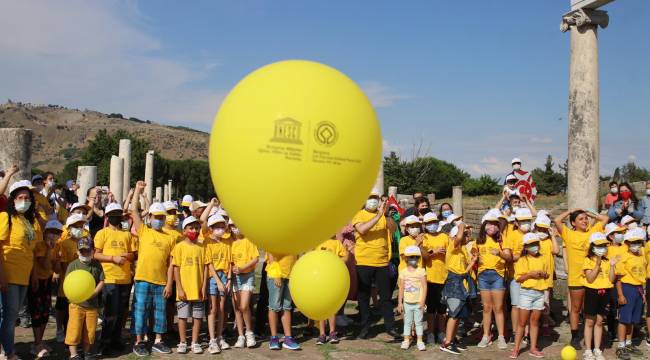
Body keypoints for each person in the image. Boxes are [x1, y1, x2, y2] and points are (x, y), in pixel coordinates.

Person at [130, 181, 175, 357]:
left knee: (159, 312)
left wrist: (169, 284)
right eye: (156, 216)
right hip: (142, 279)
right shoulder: (144, 231)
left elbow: (171, 263)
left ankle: (158, 340)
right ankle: (139, 341)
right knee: (140, 311)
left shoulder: (169, 238)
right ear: (149, 217)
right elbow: (134, 211)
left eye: (161, 217)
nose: (158, 219)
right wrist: (138, 191)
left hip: (160, 281)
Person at [553, 208, 608, 350]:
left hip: (592, 279)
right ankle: (575, 336)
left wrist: (588, 212)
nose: (584, 221)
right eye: (580, 219)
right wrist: (571, 210)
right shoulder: (568, 233)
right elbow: (557, 220)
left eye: (585, 219)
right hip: (576, 278)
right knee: (576, 309)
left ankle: (591, 338)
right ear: (573, 223)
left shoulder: (593, 232)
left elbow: (604, 219)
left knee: (590, 310)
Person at [0, 180, 42, 360]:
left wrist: (33, 275)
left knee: (12, 315)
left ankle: (6, 349)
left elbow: (30, 251)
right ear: (13, 199)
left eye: (27, 198)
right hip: (8, 272)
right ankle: (8, 352)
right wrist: (1, 275)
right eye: (20, 197)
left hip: (24, 275)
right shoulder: (5, 217)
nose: (24, 200)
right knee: (9, 316)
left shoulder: (29, 222)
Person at [352, 191, 400, 340]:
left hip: (382, 261)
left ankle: (390, 327)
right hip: (364, 261)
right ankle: (365, 327)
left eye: (375, 199)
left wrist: (386, 215)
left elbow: (393, 229)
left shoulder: (383, 216)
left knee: (386, 297)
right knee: (364, 296)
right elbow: (362, 229)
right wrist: (378, 216)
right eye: (370, 199)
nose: (373, 202)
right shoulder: (359, 214)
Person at [93, 202, 135, 355]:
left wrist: (128, 256)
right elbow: (95, 254)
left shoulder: (127, 234)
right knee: (110, 313)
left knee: (121, 313)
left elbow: (133, 254)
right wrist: (113, 258)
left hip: (125, 279)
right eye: (113, 214)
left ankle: (116, 340)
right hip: (109, 278)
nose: (116, 217)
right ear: (107, 216)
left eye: (118, 214)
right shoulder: (102, 233)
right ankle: (105, 343)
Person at [439, 222, 477, 355]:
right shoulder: (452, 246)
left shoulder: (463, 250)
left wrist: (472, 262)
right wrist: (461, 226)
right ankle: (447, 343)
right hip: (453, 283)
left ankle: (452, 339)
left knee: (459, 314)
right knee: (454, 314)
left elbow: (464, 271)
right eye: (465, 235)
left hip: (462, 282)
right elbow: (459, 238)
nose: (467, 236)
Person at [172, 216, 208, 354]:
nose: (195, 230)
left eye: (197, 228)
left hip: (198, 289)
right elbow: (175, 268)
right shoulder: (179, 247)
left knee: (198, 316)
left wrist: (204, 286)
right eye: (191, 228)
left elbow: (205, 267)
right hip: (184, 291)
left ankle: (194, 342)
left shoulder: (202, 247)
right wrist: (179, 288)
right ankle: (182, 341)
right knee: (182, 317)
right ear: (184, 230)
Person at [64, 237, 105, 360]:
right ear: (77, 252)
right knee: (74, 329)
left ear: (92, 251)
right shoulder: (73, 265)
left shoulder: (97, 266)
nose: (84, 253)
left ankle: (86, 353)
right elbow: (67, 283)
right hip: (76, 304)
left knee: (90, 331)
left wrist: (95, 292)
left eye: (87, 251)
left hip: (92, 305)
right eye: (82, 251)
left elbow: (102, 281)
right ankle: (73, 354)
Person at [510, 233, 548, 359]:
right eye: (531, 244)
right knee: (522, 322)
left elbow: (547, 275)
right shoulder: (522, 260)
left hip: (540, 293)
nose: (535, 246)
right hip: (526, 293)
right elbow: (519, 278)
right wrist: (530, 275)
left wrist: (543, 274)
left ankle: (533, 347)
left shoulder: (543, 258)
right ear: (525, 247)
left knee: (535, 322)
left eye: (536, 243)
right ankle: (516, 348)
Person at [474, 209, 508, 349]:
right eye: (489, 224)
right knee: (486, 308)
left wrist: (500, 253)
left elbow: (509, 257)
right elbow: (473, 257)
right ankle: (485, 335)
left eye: (495, 224)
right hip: (482, 276)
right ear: (484, 225)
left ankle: (501, 337)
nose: (491, 227)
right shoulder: (478, 240)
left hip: (497, 276)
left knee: (498, 307)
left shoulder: (502, 239)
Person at [582, 232, 617, 360]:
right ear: (592, 246)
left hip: (605, 292)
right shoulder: (588, 260)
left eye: (604, 245)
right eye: (599, 245)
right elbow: (590, 279)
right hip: (592, 292)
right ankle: (588, 350)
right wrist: (597, 265)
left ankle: (597, 349)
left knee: (599, 321)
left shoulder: (607, 261)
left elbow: (612, 279)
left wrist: (612, 266)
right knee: (590, 321)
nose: (602, 248)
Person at [53, 212, 87, 343]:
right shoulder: (63, 243)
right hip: (66, 281)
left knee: (76, 307)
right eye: (76, 226)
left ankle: (74, 330)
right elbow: (62, 263)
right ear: (69, 228)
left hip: (82, 281)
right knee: (61, 306)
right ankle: (59, 329)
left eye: (81, 226)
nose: (79, 229)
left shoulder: (85, 242)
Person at [503, 207, 535, 344]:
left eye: (527, 220)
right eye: (522, 221)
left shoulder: (534, 236)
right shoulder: (511, 235)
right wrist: (520, 254)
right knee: (516, 304)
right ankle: (515, 332)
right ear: (516, 222)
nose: (525, 223)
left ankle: (527, 333)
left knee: (528, 306)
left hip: (531, 275)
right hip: (515, 275)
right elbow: (509, 257)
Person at [29, 219, 60, 358]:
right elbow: (46, 264)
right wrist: (49, 249)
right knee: (37, 312)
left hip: (47, 282)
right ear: (45, 232)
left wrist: (57, 258)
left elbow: (56, 268)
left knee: (45, 313)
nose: (54, 236)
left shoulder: (56, 247)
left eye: (57, 233)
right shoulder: (41, 246)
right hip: (37, 282)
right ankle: (37, 343)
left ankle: (39, 342)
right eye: (51, 232)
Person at [614, 228, 647, 360]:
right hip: (627, 288)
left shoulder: (641, 256)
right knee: (624, 319)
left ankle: (629, 343)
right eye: (633, 242)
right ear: (627, 243)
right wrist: (621, 295)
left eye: (638, 242)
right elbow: (618, 279)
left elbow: (640, 276)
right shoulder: (624, 257)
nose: (636, 244)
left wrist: (642, 293)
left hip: (638, 289)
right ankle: (621, 346)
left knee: (633, 319)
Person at [202, 213, 232, 354]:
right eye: (217, 227)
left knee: (221, 310)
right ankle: (212, 340)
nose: (221, 230)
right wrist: (218, 282)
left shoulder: (226, 242)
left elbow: (230, 262)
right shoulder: (207, 242)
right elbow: (209, 264)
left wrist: (229, 279)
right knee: (213, 309)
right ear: (211, 228)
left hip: (225, 276)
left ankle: (220, 337)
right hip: (212, 277)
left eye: (222, 227)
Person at [314, 236, 348, 345]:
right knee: (321, 306)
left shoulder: (337, 243)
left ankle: (332, 332)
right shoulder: (318, 243)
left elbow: (345, 257)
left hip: (332, 279)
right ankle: (322, 334)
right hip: (320, 279)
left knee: (331, 306)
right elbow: (313, 260)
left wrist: (334, 262)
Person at [420, 212, 449, 344]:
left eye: (434, 222)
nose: (433, 225)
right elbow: (422, 256)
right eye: (429, 223)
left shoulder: (444, 236)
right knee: (431, 308)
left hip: (444, 276)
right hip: (430, 278)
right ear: (425, 225)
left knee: (442, 308)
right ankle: (430, 332)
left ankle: (441, 331)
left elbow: (451, 253)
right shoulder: (424, 237)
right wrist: (433, 252)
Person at [230, 223, 259, 348]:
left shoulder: (249, 240)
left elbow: (255, 259)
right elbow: (230, 261)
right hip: (235, 278)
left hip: (247, 276)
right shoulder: (232, 243)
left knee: (244, 306)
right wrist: (234, 269)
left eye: (237, 225)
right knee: (237, 307)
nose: (235, 228)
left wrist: (242, 268)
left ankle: (249, 332)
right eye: (232, 226)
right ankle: (240, 336)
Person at [266, 252, 300, 350]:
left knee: (287, 306)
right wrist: (276, 273)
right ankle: (274, 338)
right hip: (276, 275)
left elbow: (296, 255)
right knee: (274, 306)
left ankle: (288, 338)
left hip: (290, 275)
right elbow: (270, 252)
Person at [397, 245, 427, 351]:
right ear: (406, 258)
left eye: (416, 257)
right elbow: (401, 288)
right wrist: (400, 303)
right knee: (407, 322)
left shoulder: (421, 271)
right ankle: (406, 340)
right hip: (407, 303)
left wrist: (422, 301)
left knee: (418, 322)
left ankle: (420, 341)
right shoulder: (403, 272)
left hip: (418, 303)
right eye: (411, 257)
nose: (414, 259)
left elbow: (424, 286)